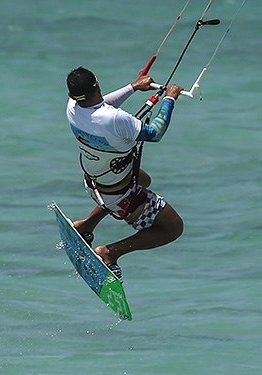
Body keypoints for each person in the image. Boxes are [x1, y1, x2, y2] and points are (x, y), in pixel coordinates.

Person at [65, 66, 185, 279]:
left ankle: (85, 225)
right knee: (173, 228)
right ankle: (110, 253)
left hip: (93, 182)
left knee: (144, 179)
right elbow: (154, 133)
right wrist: (170, 99)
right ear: (97, 85)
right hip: (119, 195)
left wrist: (133, 87)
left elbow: (100, 107)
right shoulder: (116, 120)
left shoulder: (72, 107)